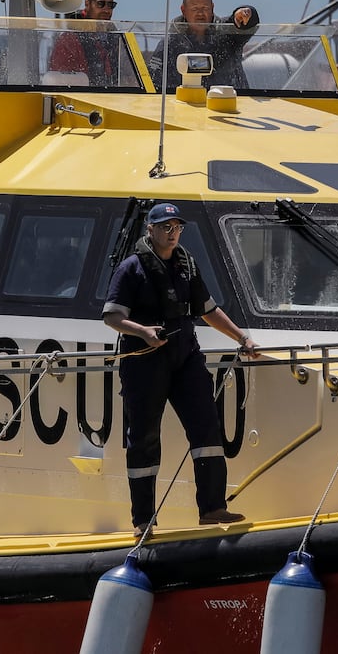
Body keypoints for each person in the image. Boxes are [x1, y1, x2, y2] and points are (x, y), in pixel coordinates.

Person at [103, 201, 259, 537]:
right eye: (166, 228)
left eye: (177, 228)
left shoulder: (187, 265)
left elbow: (208, 309)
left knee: (206, 426)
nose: (173, 234)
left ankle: (212, 507)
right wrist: (142, 331)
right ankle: (143, 519)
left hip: (185, 358)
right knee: (144, 440)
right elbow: (112, 317)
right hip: (144, 361)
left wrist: (242, 338)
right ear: (151, 230)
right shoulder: (131, 268)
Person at [153, 0, 260, 89]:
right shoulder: (170, 45)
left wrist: (246, 13)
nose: (200, 13)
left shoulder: (227, 35)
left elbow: (245, 26)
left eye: (205, 8)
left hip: (231, 102)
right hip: (182, 103)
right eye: (195, 9)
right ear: (183, 10)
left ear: (212, 8)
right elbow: (153, 80)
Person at [48, 0, 123, 85]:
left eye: (111, 5)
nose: (106, 10)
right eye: (100, 4)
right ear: (87, 3)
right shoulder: (69, 39)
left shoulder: (116, 39)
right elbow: (63, 82)